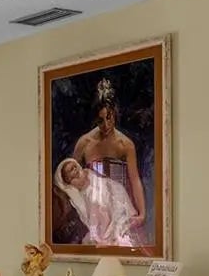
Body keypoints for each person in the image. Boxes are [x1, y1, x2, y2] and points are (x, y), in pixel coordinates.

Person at [61, 78, 146, 245]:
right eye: (100, 120)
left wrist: (142, 214)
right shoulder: (85, 143)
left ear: (115, 113)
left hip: (119, 207)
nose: (106, 125)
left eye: (109, 117)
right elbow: (69, 177)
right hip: (93, 210)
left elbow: (135, 179)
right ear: (95, 119)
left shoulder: (125, 144)